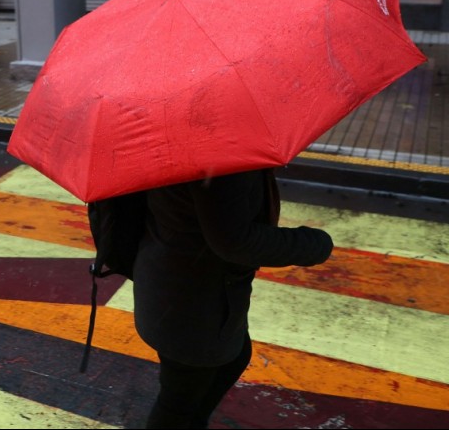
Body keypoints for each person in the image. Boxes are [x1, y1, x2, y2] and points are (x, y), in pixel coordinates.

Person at [132, 168, 333, 428]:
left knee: (222, 366)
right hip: (192, 301)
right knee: (179, 402)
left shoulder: (185, 144)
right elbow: (235, 241)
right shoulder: (221, 159)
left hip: (173, 278)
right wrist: (315, 244)